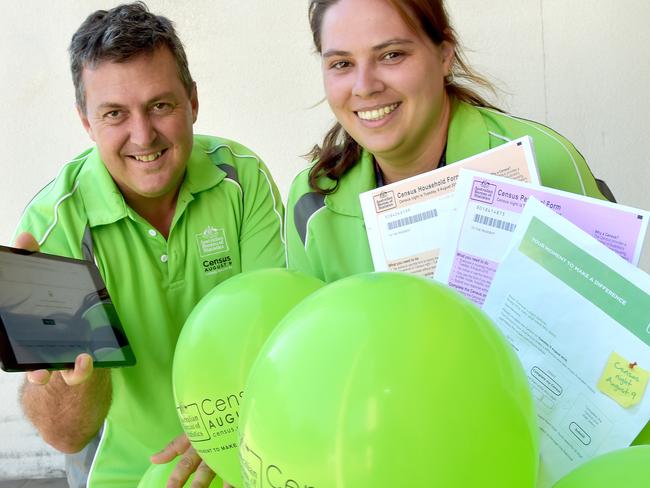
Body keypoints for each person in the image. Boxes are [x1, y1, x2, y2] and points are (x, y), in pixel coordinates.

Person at [15, 3, 284, 487]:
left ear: (193, 101)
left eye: (160, 105)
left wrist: (222, 440)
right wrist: (76, 377)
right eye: (115, 113)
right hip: (124, 473)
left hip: (246, 446)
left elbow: (276, 339)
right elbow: (67, 436)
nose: (143, 135)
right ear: (86, 121)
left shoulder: (242, 178)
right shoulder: (54, 225)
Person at [286, 0, 612, 283]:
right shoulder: (310, 199)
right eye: (342, 64)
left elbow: (617, 323)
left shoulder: (543, 160)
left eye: (391, 55)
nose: (364, 86)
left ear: (444, 55)